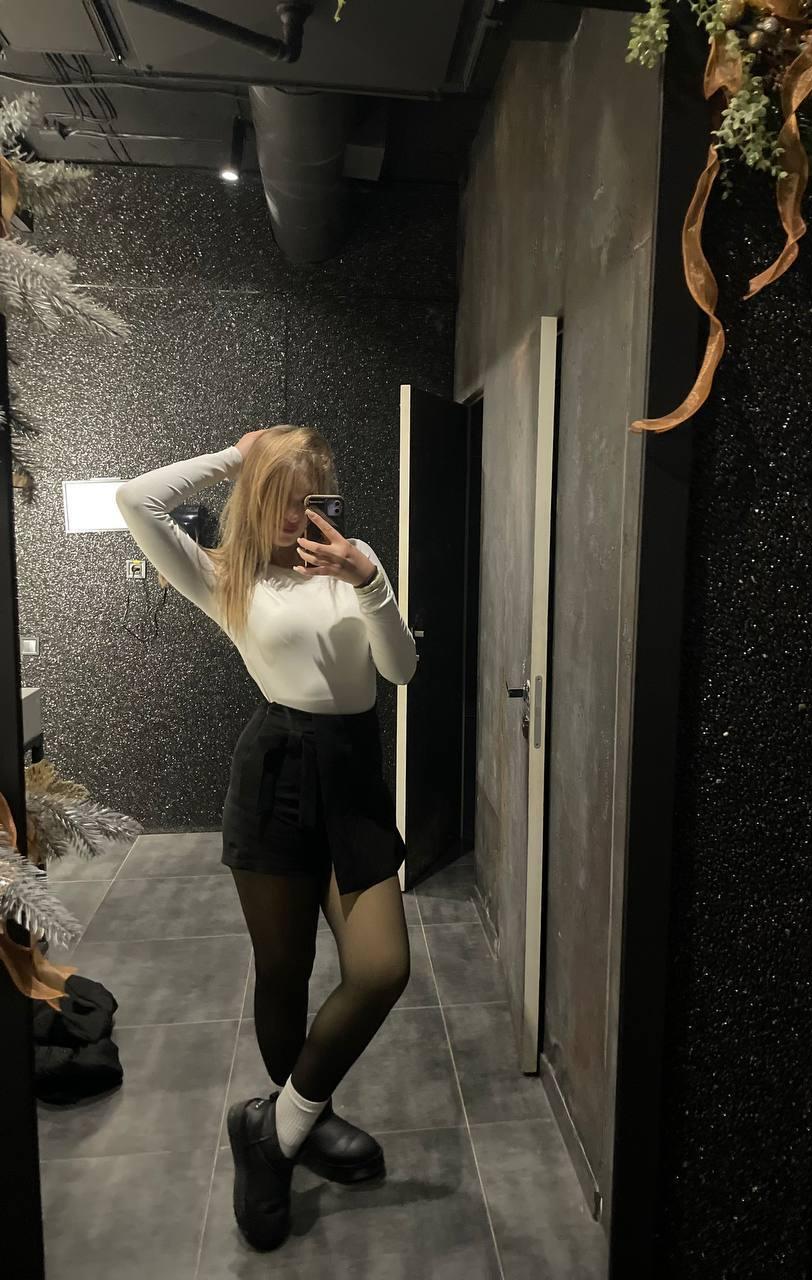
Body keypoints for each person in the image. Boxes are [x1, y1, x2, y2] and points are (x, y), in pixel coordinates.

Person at [116, 424, 418, 1252]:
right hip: (275, 775)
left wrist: (368, 581)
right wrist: (235, 455)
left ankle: (275, 1129)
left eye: (308, 498)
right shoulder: (226, 578)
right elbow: (135, 501)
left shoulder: (356, 565)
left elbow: (399, 670)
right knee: (284, 970)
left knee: (381, 968)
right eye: (279, 498)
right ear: (254, 497)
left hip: (353, 781)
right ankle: (305, 1120)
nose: (294, 515)